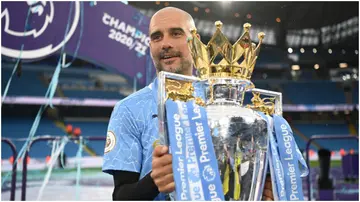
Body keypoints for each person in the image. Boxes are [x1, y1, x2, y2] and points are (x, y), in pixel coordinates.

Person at [102, 6, 274, 201]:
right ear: (150, 46)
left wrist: (264, 190)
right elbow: (121, 196)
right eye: (156, 37)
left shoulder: (224, 101)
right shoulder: (128, 110)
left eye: (176, 33)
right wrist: (154, 182)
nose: (165, 43)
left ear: (195, 42)